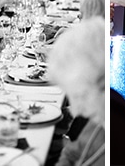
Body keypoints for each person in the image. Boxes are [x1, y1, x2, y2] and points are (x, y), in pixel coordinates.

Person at [49, 18, 105, 166]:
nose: (75, 110)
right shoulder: (98, 120)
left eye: (80, 96)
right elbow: (73, 151)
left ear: (102, 84)